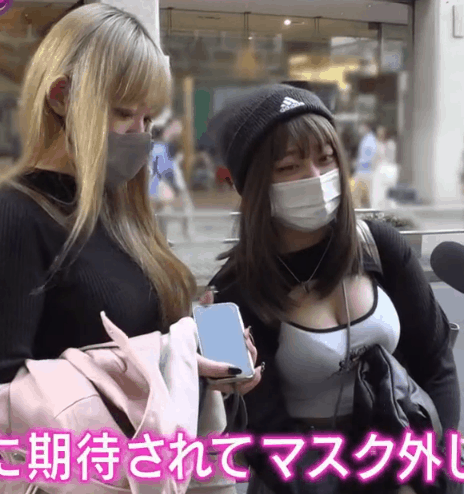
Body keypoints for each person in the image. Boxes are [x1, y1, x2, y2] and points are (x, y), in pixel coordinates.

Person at [0, 3, 262, 492]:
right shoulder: (15, 215)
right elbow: (9, 403)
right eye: (123, 113)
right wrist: (170, 356)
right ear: (61, 97)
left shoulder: (126, 215)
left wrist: (202, 364)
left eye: (147, 117)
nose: (139, 135)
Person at [203, 84, 460, 494]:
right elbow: (262, 434)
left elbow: (437, 362)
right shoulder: (222, 300)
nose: (315, 178)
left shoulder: (382, 244)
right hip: (303, 480)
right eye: (289, 166)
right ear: (252, 184)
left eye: (326, 159)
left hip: (406, 465)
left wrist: (436, 468)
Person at [353, 122, 377, 208]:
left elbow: (372, 158)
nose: (360, 129)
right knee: (359, 198)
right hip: (362, 171)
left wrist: (358, 163)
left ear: (367, 127)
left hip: (366, 173)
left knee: (366, 198)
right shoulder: (365, 139)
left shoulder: (370, 140)